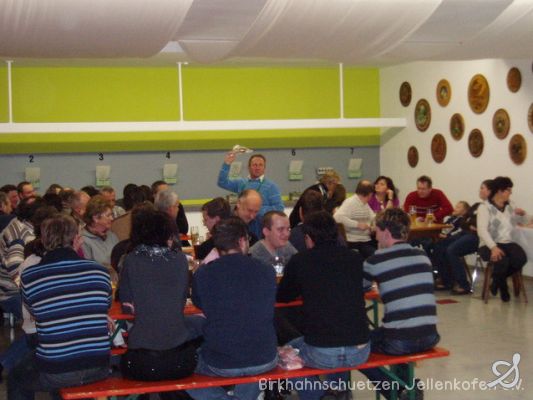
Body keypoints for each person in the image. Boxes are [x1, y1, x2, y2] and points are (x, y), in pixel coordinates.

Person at [8, 214, 111, 400]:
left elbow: (36, 314)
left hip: (57, 369)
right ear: (77, 239)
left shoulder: (31, 277)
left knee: (16, 375)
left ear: (43, 241)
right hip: (99, 365)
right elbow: (104, 306)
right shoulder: (100, 272)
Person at [277, 211, 370, 400]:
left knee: (284, 354)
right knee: (338, 334)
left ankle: (319, 395)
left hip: (322, 351)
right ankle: (338, 391)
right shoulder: (354, 258)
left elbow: (284, 296)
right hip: (360, 349)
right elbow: (365, 285)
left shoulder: (300, 260)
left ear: (309, 238)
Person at [188, 217, 278, 400]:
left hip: (221, 360)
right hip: (265, 356)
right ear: (242, 241)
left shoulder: (204, 273)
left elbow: (199, 303)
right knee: (249, 362)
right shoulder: (266, 270)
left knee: (183, 367)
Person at [360, 208, 439, 400]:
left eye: (377, 231)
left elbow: (357, 288)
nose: (375, 235)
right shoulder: (423, 256)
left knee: (354, 349)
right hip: (430, 335)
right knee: (397, 330)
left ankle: (394, 391)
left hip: (399, 339)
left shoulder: (375, 261)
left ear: (386, 232)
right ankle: (407, 388)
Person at [119, 209, 202, 389]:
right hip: (181, 360)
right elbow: (181, 300)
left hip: (142, 361)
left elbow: (127, 308)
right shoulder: (180, 260)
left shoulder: (131, 260)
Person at [477, 176, 528, 302]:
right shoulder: (485, 207)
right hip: (488, 244)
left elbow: (522, 222)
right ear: (500, 191)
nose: (510, 193)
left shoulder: (511, 205)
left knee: (521, 259)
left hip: (507, 242)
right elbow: (482, 230)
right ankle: (503, 288)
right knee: (502, 261)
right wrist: (493, 247)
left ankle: (496, 282)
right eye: (508, 190)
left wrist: (523, 215)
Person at [0, 197, 44, 322]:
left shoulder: (17, 223)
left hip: (15, 289)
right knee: (45, 318)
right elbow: (15, 269)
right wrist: (33, 292)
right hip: (10, 293)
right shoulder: (21, 235)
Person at [217, 152, 284, 220]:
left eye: (261, 165)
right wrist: (227, 164)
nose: (257, 168)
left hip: (260, 225)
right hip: (242, 223)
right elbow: (222, 182)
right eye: (254, 165)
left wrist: (255, 210)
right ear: (249, 167)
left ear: (264, 168)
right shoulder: (241, 183)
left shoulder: (271, 187)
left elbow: (279, 208)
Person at [431, 201, 470, 291]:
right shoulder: (452, 218)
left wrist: (447, 236)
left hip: (454, 239)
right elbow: (444, 227)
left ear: (465, 211)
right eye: (456, 206)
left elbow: (459, 231)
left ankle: (447, 280)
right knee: (432, 246)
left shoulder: (462, 220)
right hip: (444, 238)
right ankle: (440, 276)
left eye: (459, 207)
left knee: (442, 249)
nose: (455, 208)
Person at [333, 180, 376, 259]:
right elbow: (337, 217)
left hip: (366, 239)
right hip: (354, 241)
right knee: (374, 255)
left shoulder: (365, 204)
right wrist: (357, 225)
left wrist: (373, 226)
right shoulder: (350, 202)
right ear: (370, 194)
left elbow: (373, 218)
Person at [81, 195, 119, 274]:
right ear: (95, 218)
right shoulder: (83, 241)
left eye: (112, 215)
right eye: (108, 215)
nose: (112, 218)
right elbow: (88, 270)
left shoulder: (112, 236)